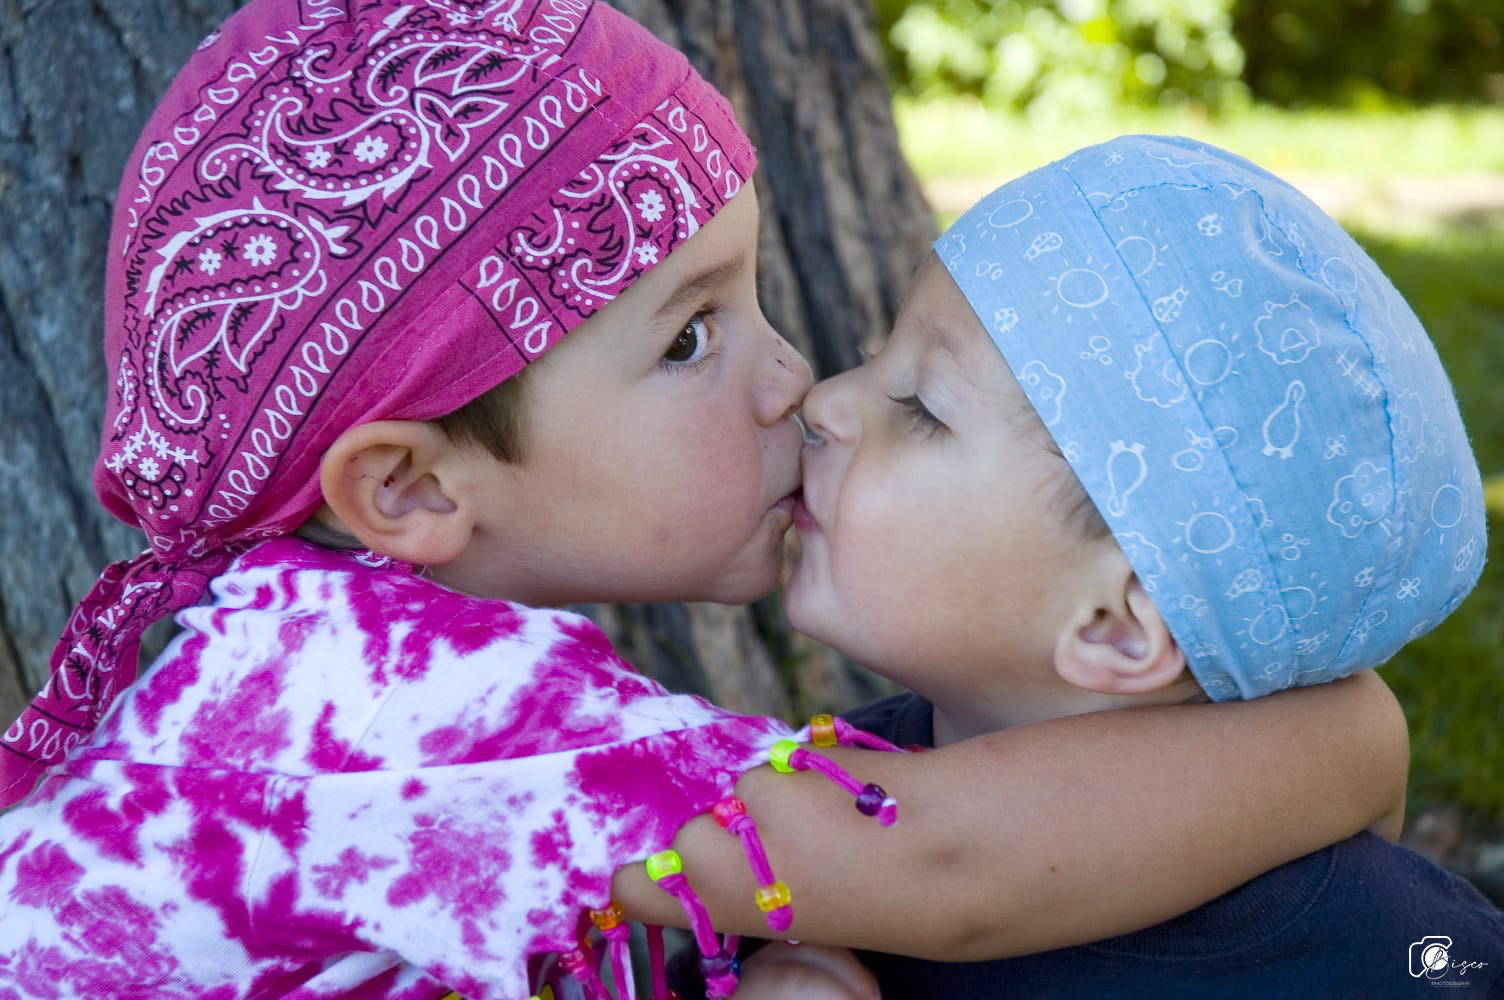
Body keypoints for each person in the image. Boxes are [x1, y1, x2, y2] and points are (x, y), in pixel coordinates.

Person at [0, 1, 1410, 994]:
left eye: (748, 301)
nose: (795, 378)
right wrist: (1342, 739)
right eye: (689, 337)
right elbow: (941, 865)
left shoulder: (319, 648)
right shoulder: (373, 695)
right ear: (411, 485)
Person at [705, 134, 1501, 999]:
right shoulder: (816, 800)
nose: (824, 399)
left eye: (923, 409)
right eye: (875, 356)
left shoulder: (1399, 956)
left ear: (1115, 626)